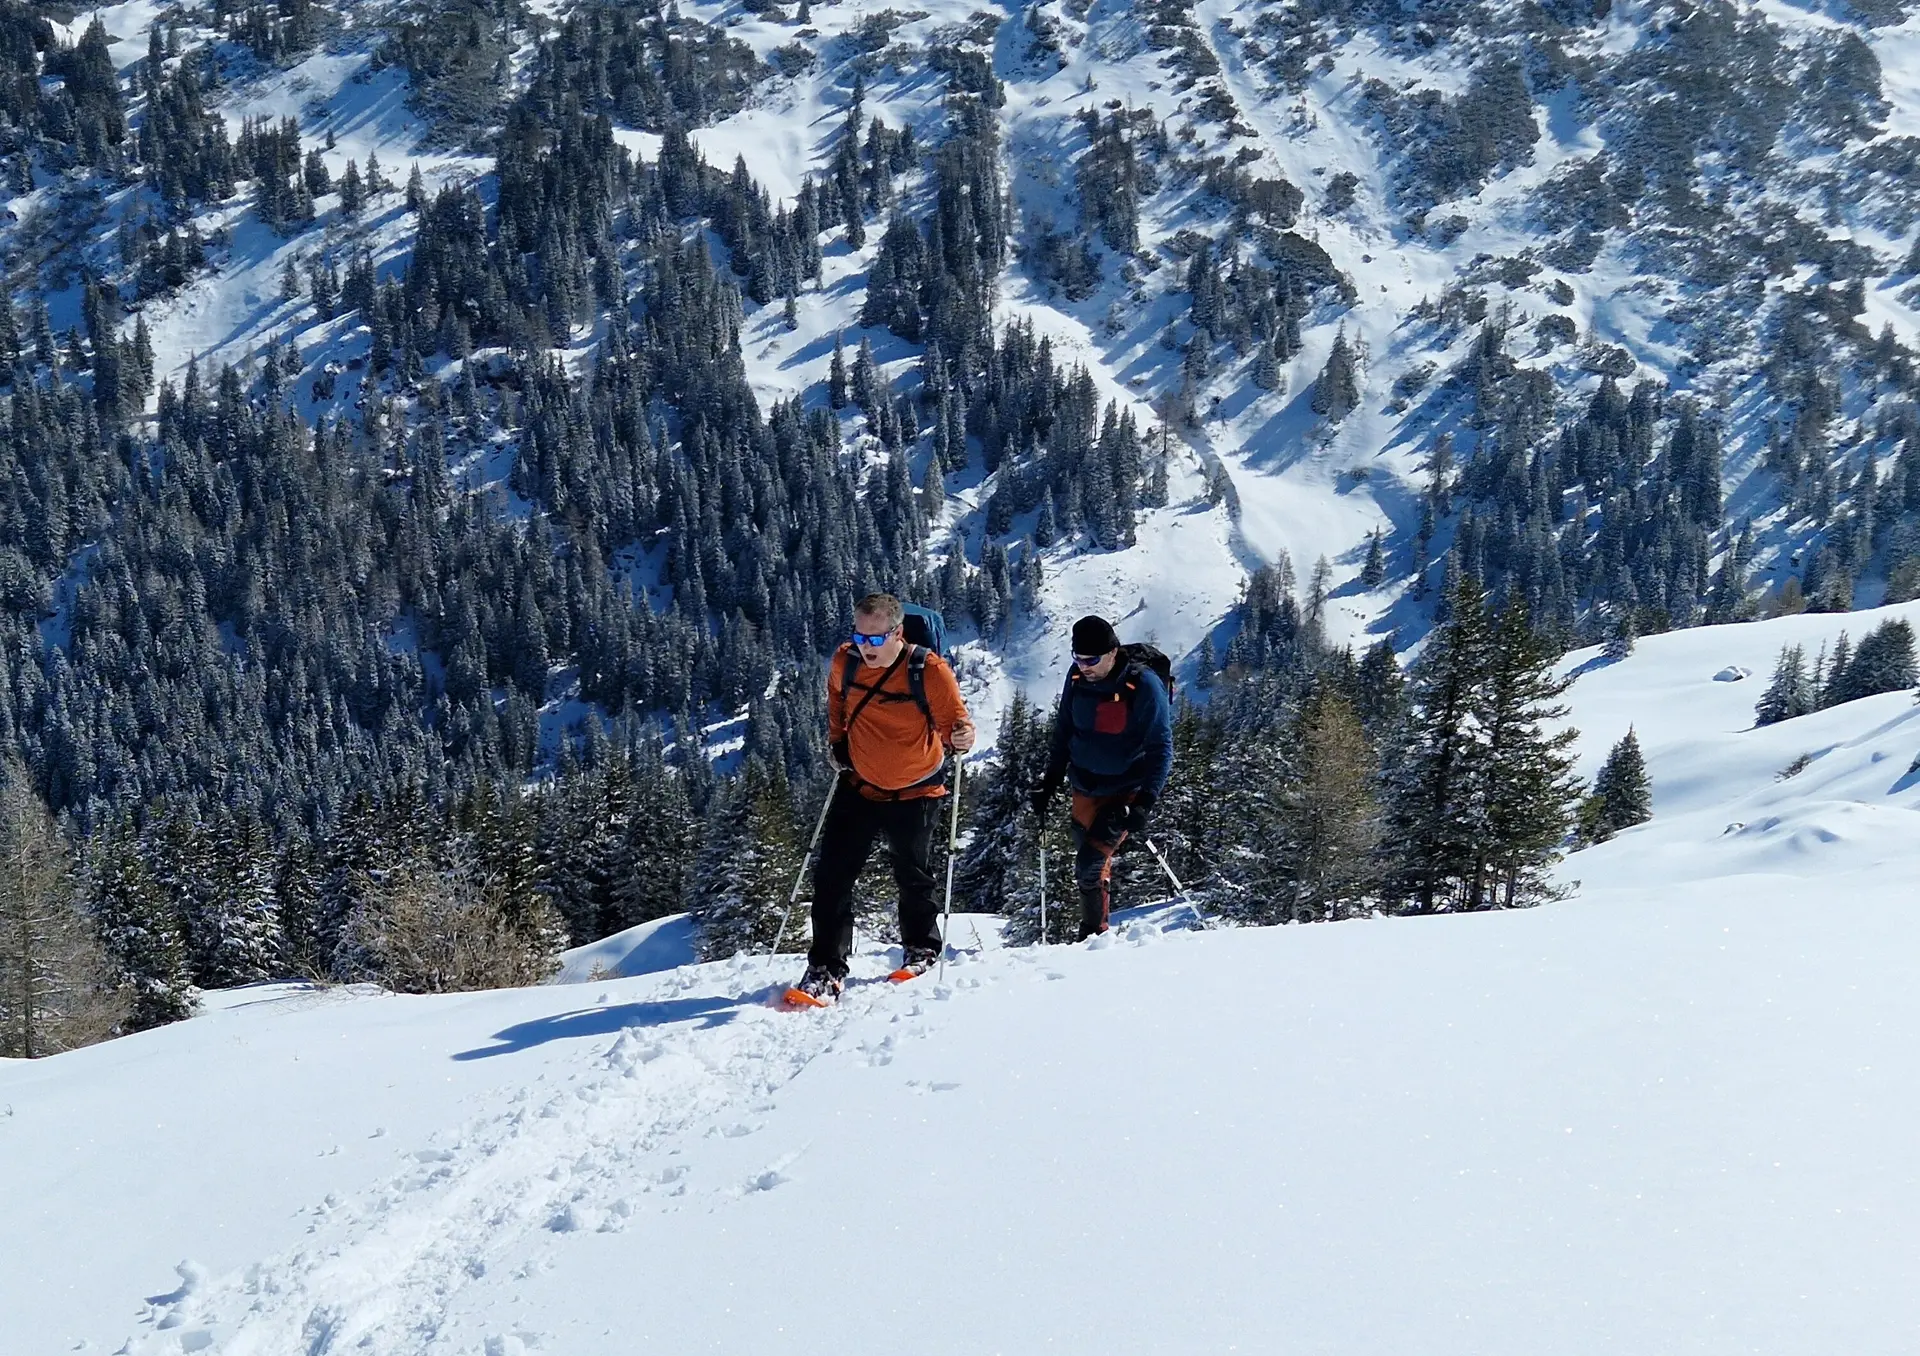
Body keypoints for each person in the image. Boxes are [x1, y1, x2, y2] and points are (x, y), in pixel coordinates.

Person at [794, 593, 975, 1003]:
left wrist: (962, 737)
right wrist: (838, 744)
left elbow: (955, 724)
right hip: (860, 784)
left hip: (917, 789)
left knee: (913, 874)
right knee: (832, 877)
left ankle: (922, 947)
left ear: (897, 633)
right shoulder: (847, 660)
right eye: (859, 637)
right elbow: (837, 703)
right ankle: (825, 967)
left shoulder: (928, 670)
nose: (866, 648)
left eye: (875, 640)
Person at [1031, 615, 1173, 939]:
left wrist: (1145, 803)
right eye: (1077, 658)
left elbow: (1161, 748)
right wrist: (1049, 781)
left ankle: (1092, 937)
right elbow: (1064, 729)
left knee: (1090, 864)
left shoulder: (1144, 684)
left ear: (1112, 652)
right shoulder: (1078, 678)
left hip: (1125, 790)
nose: (1084, 666)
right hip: (1084, 786)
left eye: (1091, 659)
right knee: (1090, 864)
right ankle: (1099, 933)